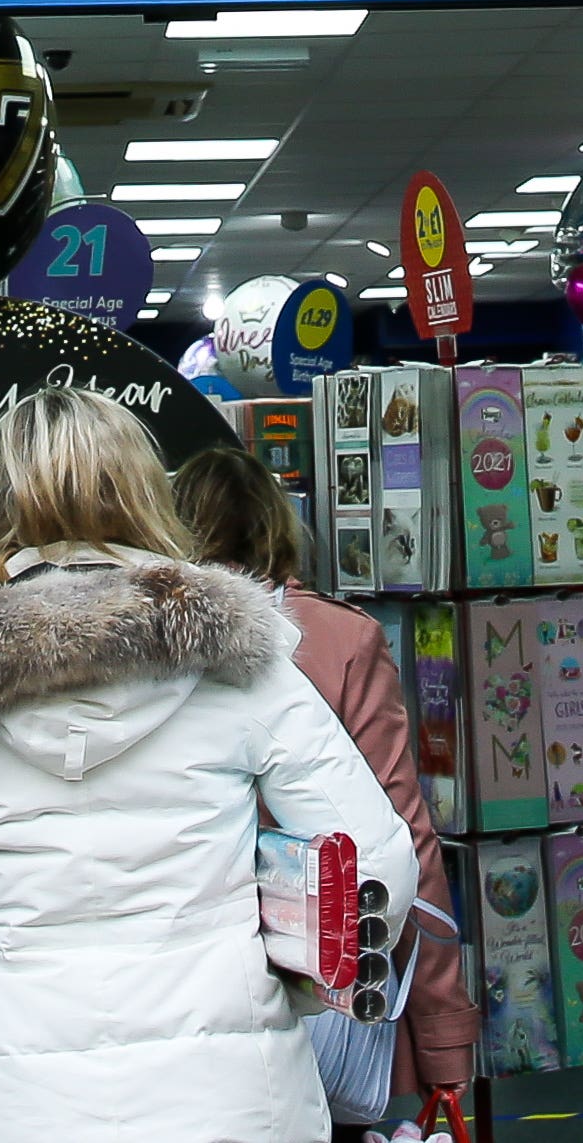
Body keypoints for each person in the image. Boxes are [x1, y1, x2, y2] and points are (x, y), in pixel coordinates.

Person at [0, 389, 412, 1143]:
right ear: (147, 492)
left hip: (14, 1103)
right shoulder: (239, 661)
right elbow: (372, 862)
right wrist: (288, 964)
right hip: (226, 1100)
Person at [171, 442, 477, 1121]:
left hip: (185, 985)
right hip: (322, 978)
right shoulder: (340, 639)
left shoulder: (140, 647)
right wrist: (442, 1032)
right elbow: (405, 837)